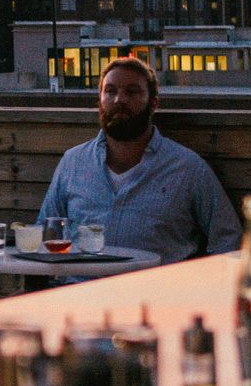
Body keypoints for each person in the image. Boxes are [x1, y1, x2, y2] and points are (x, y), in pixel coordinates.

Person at [36, 55, 239, 264]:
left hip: (154, 293)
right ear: (100, 100)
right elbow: (44, 233)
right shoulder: (73, 162)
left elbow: (227, 239)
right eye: (110, 91)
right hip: (78, 289)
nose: (119, 100)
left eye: (131, 92)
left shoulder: (187, 168)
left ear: (153, 104)